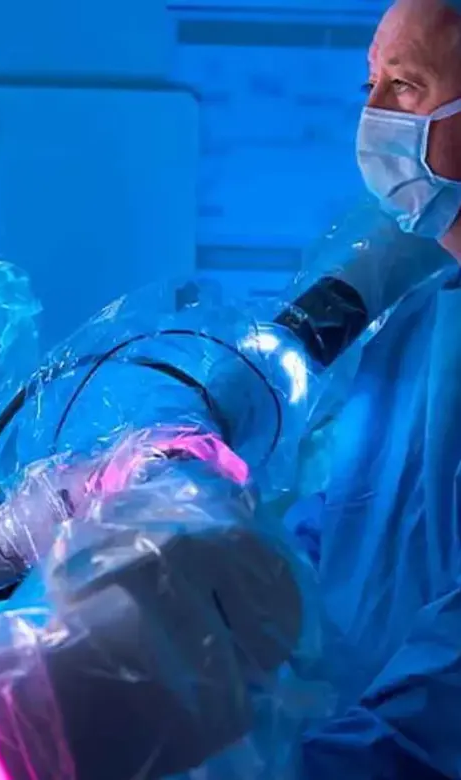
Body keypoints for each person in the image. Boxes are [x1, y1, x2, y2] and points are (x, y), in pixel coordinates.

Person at [300, 1, 461, 777]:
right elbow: (350, 518)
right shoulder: (418, 324)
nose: (373, 118)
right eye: (369, 85)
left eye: (405, 86)